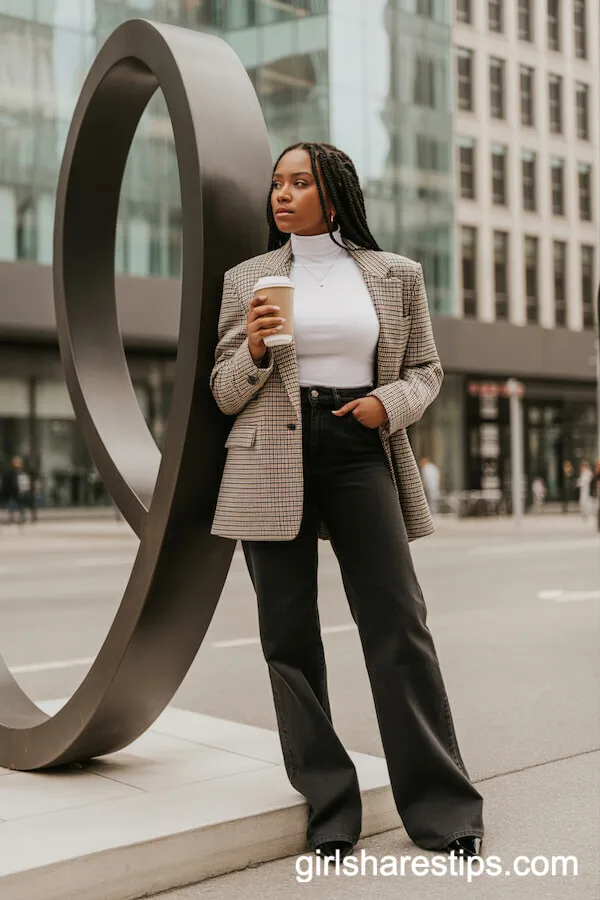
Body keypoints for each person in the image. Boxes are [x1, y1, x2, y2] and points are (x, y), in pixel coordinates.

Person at [209, 141, 484, 861]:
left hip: (359, 446)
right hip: (270, 452)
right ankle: (330, 809)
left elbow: (426, 369)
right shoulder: (249, 279)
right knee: (289, 638)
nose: (282, 194)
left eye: (299, 182)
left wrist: (384, 405)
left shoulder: (396, 276)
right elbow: (224, 392)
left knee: (398, 623)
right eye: (276, 183)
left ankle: (444, 809)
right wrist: (258, 354)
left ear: (334, 194)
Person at [3, 456, 28, 525]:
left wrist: (24, 489)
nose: (17, 463)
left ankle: (22, 518)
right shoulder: (10, 472)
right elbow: (7, 482)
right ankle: (11, 518)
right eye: (16, 462)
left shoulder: (21, 471)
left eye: (18, 462)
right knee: (12, 505)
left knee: (21, 506)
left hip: (20, 492)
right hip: (12, 492)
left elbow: (24, 481)